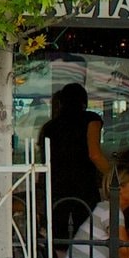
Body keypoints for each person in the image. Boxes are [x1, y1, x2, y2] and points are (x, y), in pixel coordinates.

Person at [36, 81, 108, 246]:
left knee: (58, 236)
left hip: (56, 186)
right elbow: (95, 154)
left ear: (61, 103)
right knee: (88, 234)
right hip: (83, 186)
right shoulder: (91, 119)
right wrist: (114, 174)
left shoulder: (49, 127)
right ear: (84, 101)